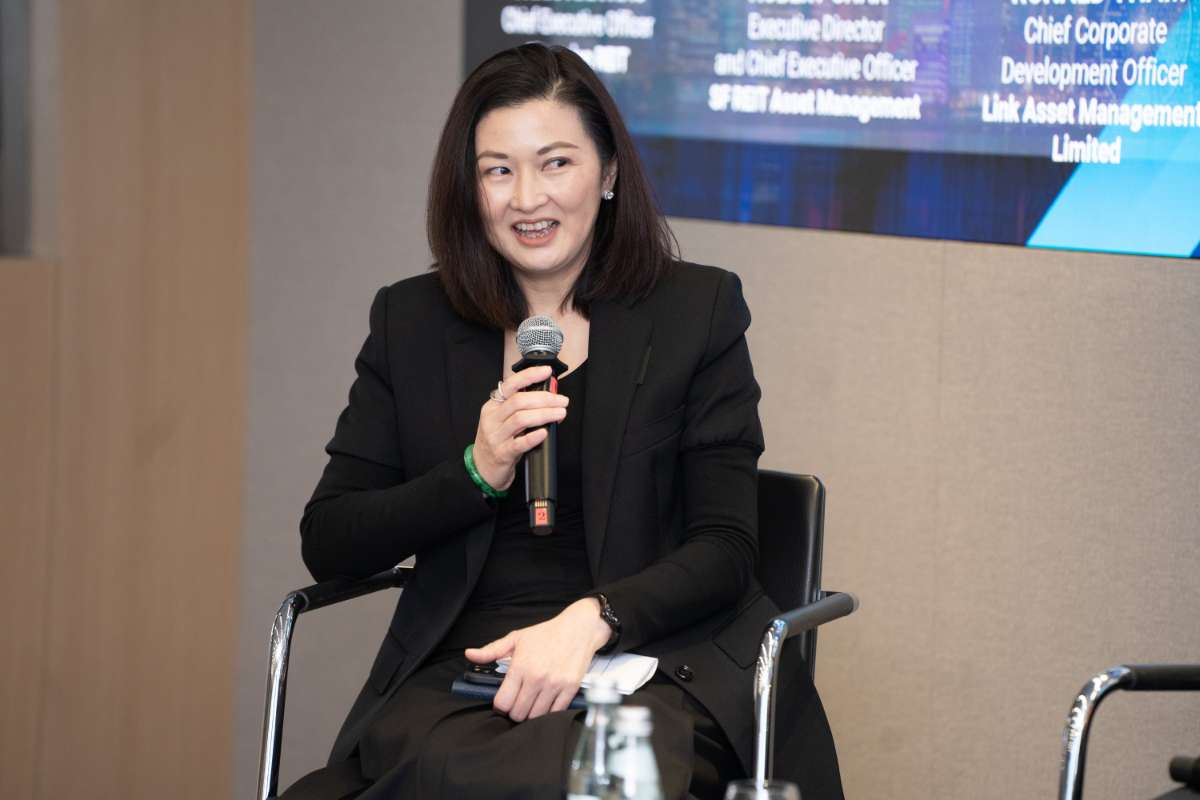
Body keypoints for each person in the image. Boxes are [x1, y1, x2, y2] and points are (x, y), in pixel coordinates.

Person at [281, 43, 844, 800]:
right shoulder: (410, 321)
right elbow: (331, 540)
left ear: (607, 174)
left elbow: (726, 546)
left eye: (555, 163)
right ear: (469, 188)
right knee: (445, 771)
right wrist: (475, 472)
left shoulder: (694, 310)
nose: (526, 198)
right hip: (473, 668)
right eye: (498, 171)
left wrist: (592, 619)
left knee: (562, 775)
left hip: (656, 661)